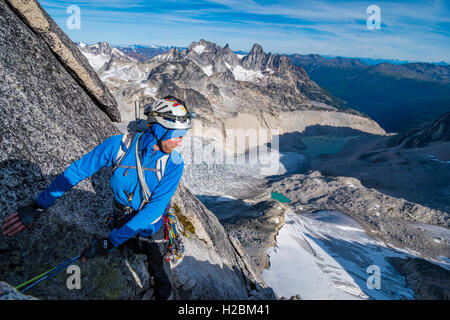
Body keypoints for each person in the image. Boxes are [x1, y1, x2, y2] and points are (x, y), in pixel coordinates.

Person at [1, 95, 195, 300]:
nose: (180, 142)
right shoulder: (119, 146)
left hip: (150, 227)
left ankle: (162, 295)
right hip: (122, 220)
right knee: (140, 251)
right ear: (160, 129)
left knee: (159, 268)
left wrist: (110, 242)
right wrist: (37, 205)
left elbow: (154, 210)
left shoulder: (174, 163)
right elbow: (76, 172)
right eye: (178, 135)